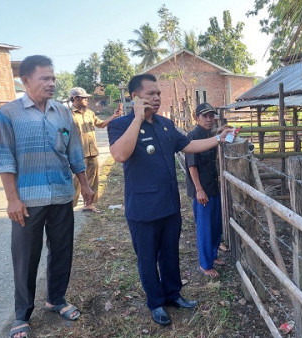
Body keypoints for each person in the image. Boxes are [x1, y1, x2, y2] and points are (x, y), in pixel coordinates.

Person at [107, 74, 233, 326]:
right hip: (142, 209)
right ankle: (155, 303)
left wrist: (218, 139)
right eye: (150, 94)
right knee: (147, 258)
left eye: (158, 94)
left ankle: (173, 294)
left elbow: (189, 145)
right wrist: (137, 118)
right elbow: (120, 154)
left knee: (169, 254)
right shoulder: (120, 125)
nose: (156, 98)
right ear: (135, 97)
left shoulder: (165, 124)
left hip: (169, 205)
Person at [0, 55, 94, 338]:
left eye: (53, 78)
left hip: (62, 195)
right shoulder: (8, 114)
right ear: (25, 81)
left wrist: (84, 186)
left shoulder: (63, 113)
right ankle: (21, 315)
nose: (51, 83)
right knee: (26, 258)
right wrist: (13, 199)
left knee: (62, 252)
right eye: (45, 78)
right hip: (27, 200)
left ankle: (56, 300)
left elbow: (74, 152)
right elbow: (4, 159)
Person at [185, 103, 226, 278]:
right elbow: (191, 166)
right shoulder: (193, 137)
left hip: (213, 186)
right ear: (196, 118)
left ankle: (213, 255)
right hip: (202, 189)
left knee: (217, 225)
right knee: (205, 227)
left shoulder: (211, 135)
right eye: (205, 116)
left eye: (211, 116)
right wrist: (199, 190)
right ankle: (205, 264)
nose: (209, 119)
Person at [70, 87, 122, 212]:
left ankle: (89, 204)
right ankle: (69, 207)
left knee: (92, 179)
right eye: (84, 98)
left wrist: (114, 116)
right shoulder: (68, 114)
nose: (87, 100)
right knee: (75, 182)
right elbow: (64, 133)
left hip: (92, 152)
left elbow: (101, 124)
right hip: (78, 154)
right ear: (75, 98)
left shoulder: (90, 113)